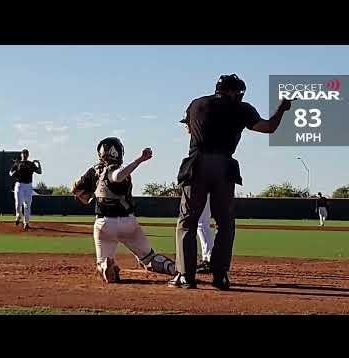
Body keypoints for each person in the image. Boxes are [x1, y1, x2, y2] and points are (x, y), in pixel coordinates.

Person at [171, 74, 292, 290]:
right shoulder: (242, 108)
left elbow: (188, 127)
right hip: (224, 167)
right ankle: (220, 276)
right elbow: (268, 127)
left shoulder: (197, 103)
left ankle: (185, 276)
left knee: (188, 221)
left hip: (197, 163)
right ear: (233, 91)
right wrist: (281, 109)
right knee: (225, 223)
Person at [72, 137, 176, 283]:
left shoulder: (92, 171)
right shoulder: (115, 170)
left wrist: (90, 194)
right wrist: (140, 160)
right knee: (149, 258)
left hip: (104, 224)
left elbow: (76, 190)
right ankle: (174, 269)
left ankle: (105, 265)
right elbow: (117, 176)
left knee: (101, 262)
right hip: (128, 223)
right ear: (119, 153)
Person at [179, 120, 215, 274]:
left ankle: (209, 258)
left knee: (201, 222)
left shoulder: (200, 141)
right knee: (203, 222)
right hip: (214, 180)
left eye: (187, 123)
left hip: (204, 181)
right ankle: (210, 257)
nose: (185, 126)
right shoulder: (203, 139)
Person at [9, 149, 42, 231]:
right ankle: (18, 216)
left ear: (28, 155)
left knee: (27, 205)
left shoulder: (31, 164)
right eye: (23, 153)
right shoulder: (18, 163)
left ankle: (26, 223)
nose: (24, 155)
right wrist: (13, 173)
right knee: (18, 203)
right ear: (21, 154)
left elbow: (39, 171)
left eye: (26, 153)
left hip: (28, 186)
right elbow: (10, 172)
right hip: (19, 185)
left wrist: (38, 164)